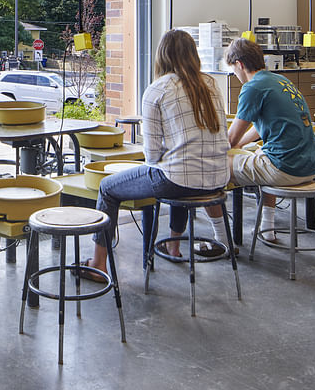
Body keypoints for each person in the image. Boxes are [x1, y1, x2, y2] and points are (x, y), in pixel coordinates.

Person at [79, 29, 230, 279]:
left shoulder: (157, 89)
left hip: (179, 181)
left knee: (107, 187)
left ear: (162, 56)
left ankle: (98, 264)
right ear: (194, 55)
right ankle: (174, 246)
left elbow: (151, 155)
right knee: (179, 170)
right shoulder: (211, 84)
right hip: (218, 179)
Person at [206, 38, 315, 244]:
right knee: (262, 153)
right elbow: (259, 129)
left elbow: (230, 139)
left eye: (233, 69)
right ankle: (268, 229)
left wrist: (209, 149)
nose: (234, 74)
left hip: (286, 169)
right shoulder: (281, 81)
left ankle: (221, 239)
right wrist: (241, 145)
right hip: (311, 165)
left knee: (211, 166)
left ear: (240, 64)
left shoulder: (253, 88)